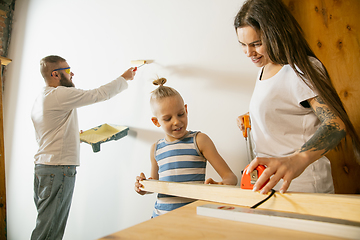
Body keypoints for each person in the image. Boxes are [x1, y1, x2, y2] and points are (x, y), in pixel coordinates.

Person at [234, 0, 360, 195]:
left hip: (304, 186)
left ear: (276, 34)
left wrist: (298, 159)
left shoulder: (300, 69)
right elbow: (288, 108)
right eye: (243, 44)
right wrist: (255, 116)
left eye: (256, 44)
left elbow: (336, 123)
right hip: (271, 186)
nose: (248, 52)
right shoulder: (265, 68)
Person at [31, 55, 136, 240]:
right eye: (68, 70)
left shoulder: (42, 98)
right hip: (58, 170)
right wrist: (124, 78)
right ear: (56, 74)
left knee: (45, 226)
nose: (72, 74)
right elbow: (98, 94)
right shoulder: (59, 94)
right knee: (49, 233)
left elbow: (51, 134)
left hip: (44, 169)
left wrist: (75, 136)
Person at [134, 77, 237, 218]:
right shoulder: (155, 149)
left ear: (186, 110)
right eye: (167, 118)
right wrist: (144, 187)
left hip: (192, 219)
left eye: (180, 114)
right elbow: (156, 184)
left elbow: (231, 177)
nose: (177, 121)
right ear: (156, 122)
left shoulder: (200, 140)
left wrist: (219, 185)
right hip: (160, 219)